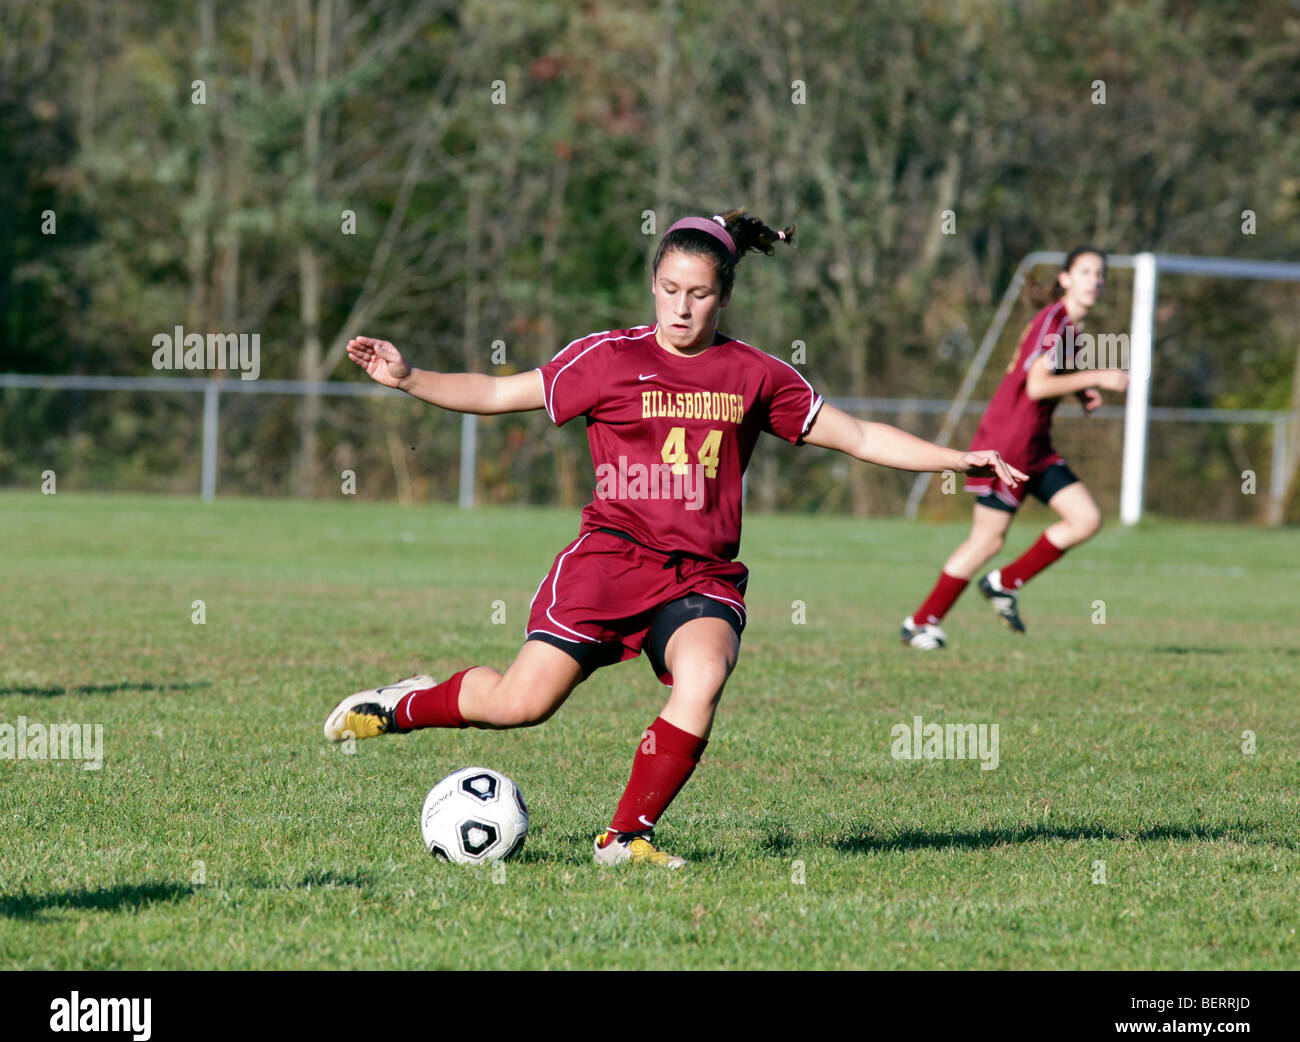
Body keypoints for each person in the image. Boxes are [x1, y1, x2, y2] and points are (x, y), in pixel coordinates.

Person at [325, 209, 1025, 867]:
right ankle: (403, 704)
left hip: (700, 577)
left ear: (723, 298)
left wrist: (954, 457)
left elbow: (861, 435)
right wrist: (409, 377)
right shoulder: (606, 357)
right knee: (519, 704)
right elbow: (499, 392)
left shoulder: (755, 375)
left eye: (698, 294)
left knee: (704, 675)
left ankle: (626, 835)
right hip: (610, 560)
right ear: (652, 285)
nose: (681, 308)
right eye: (668, 289)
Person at [902, 246, 1129, 650]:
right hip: (1007, 445)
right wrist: (1099, 375)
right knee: (986, 541)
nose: (1095, 280)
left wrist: (1082, 390)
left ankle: (1004, 582)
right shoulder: (1055, 323)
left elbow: (1054, 375)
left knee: (1086, 519)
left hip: (1036, 446)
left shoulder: (1069, 328)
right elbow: (1037, 385)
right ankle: (921, 622)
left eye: (1100, 273)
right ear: (1065, 278)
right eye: (1086, 271)